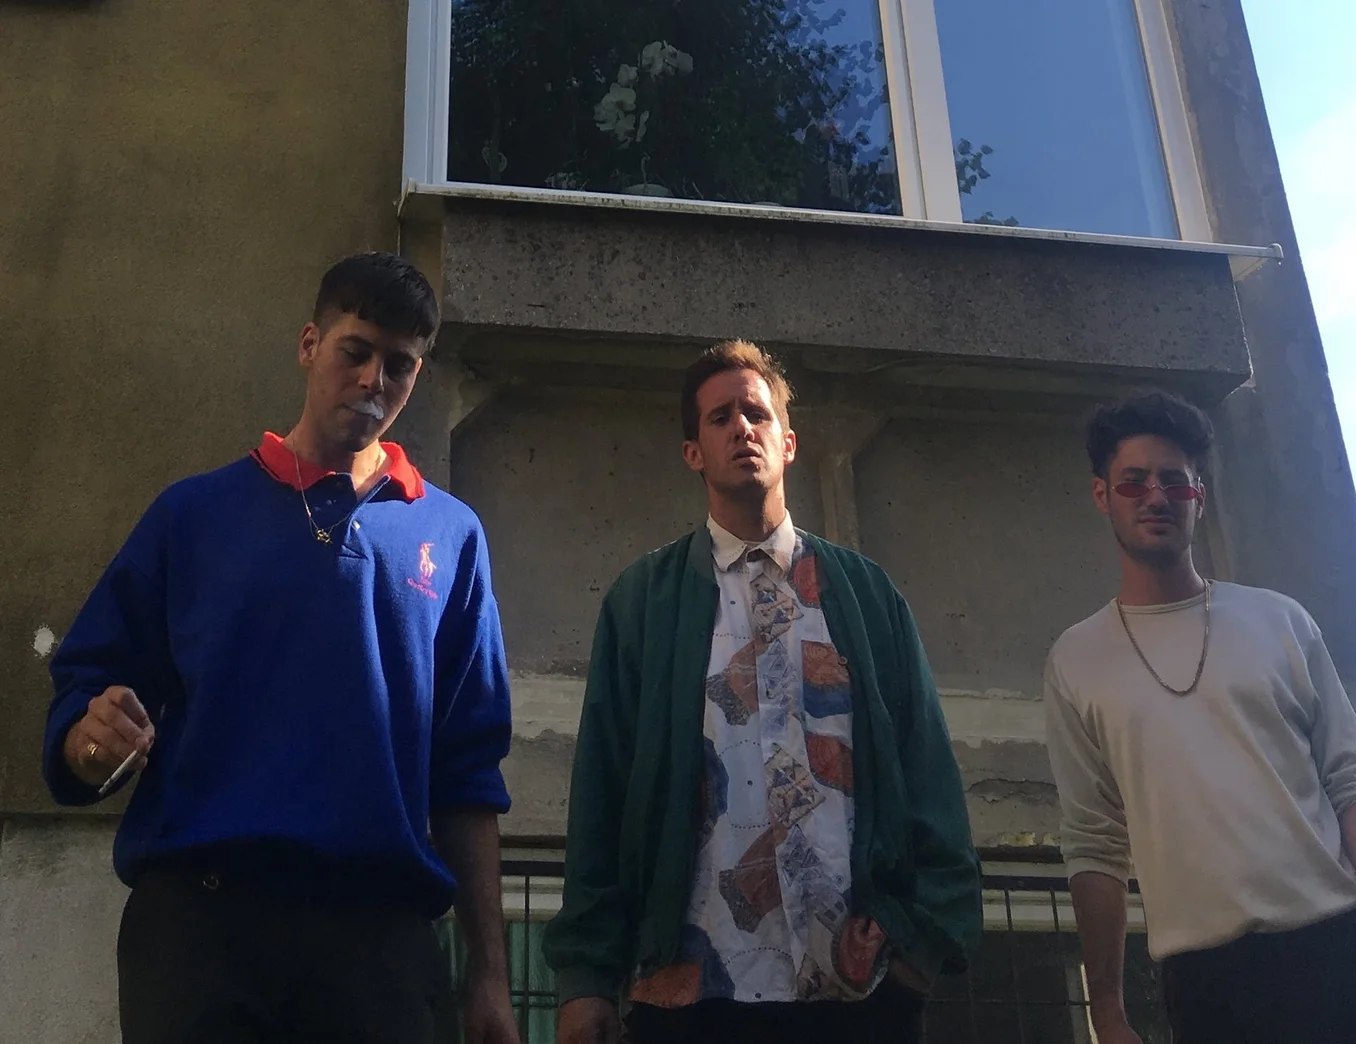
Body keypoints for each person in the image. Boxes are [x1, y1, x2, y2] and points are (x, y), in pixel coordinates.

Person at [42, 252, 522, 1044]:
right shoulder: (193, 516)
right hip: (202, 928)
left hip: (379, 943)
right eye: (355, 351)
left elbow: (467, 773)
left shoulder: (451, 535)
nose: (373, 380)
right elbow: (87, 692)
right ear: (309, 345)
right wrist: (88, 743)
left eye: (400, 365)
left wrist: (490, 978)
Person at [542, 341, 982, 1044]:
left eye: (757, 413)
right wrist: (586, 978)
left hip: (856, 988)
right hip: (689, 992)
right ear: (693, 452)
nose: (741, 428)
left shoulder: (865, 595)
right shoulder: (644, 602)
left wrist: (918, 955)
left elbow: (926, 767)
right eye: (720, 417)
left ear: (789, 442)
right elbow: (604, 789)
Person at [1043, 390, 1356, 1044]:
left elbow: (1350, 776)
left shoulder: (1279, 620)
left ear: (1198, 494)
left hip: (1339, 951)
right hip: (1207, 982)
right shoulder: (1076, 660)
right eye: (1134, 482)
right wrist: (1106, 1008)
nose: (1157, 497)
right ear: (1102, 495)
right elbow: (1094, 841)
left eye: (1175, 481)